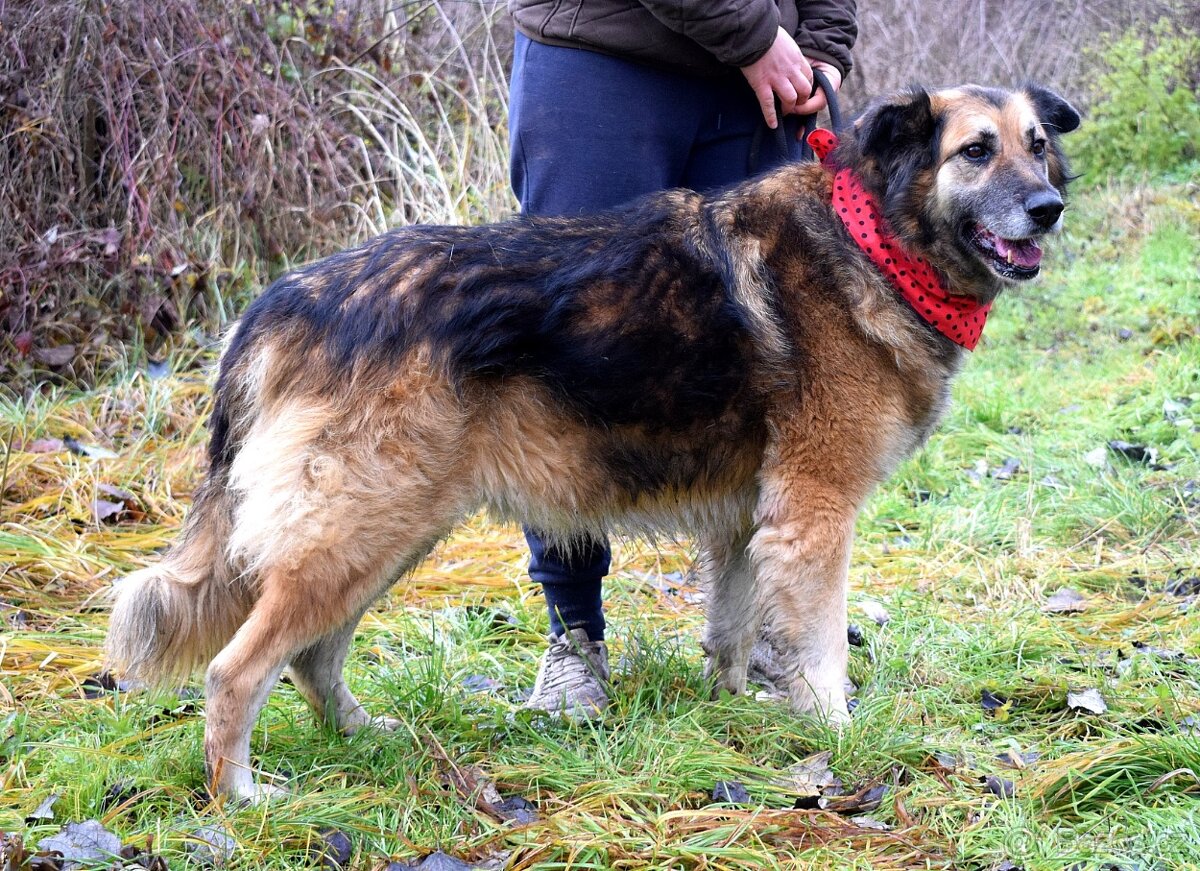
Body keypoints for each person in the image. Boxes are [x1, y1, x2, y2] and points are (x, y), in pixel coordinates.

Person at [507, 0, 858, 717]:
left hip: (761, 86)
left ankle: (759, 633)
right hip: (602, 59)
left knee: (764, 374)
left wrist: (823, 50)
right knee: (573, 350)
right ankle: (574, 635)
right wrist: (756, 37)